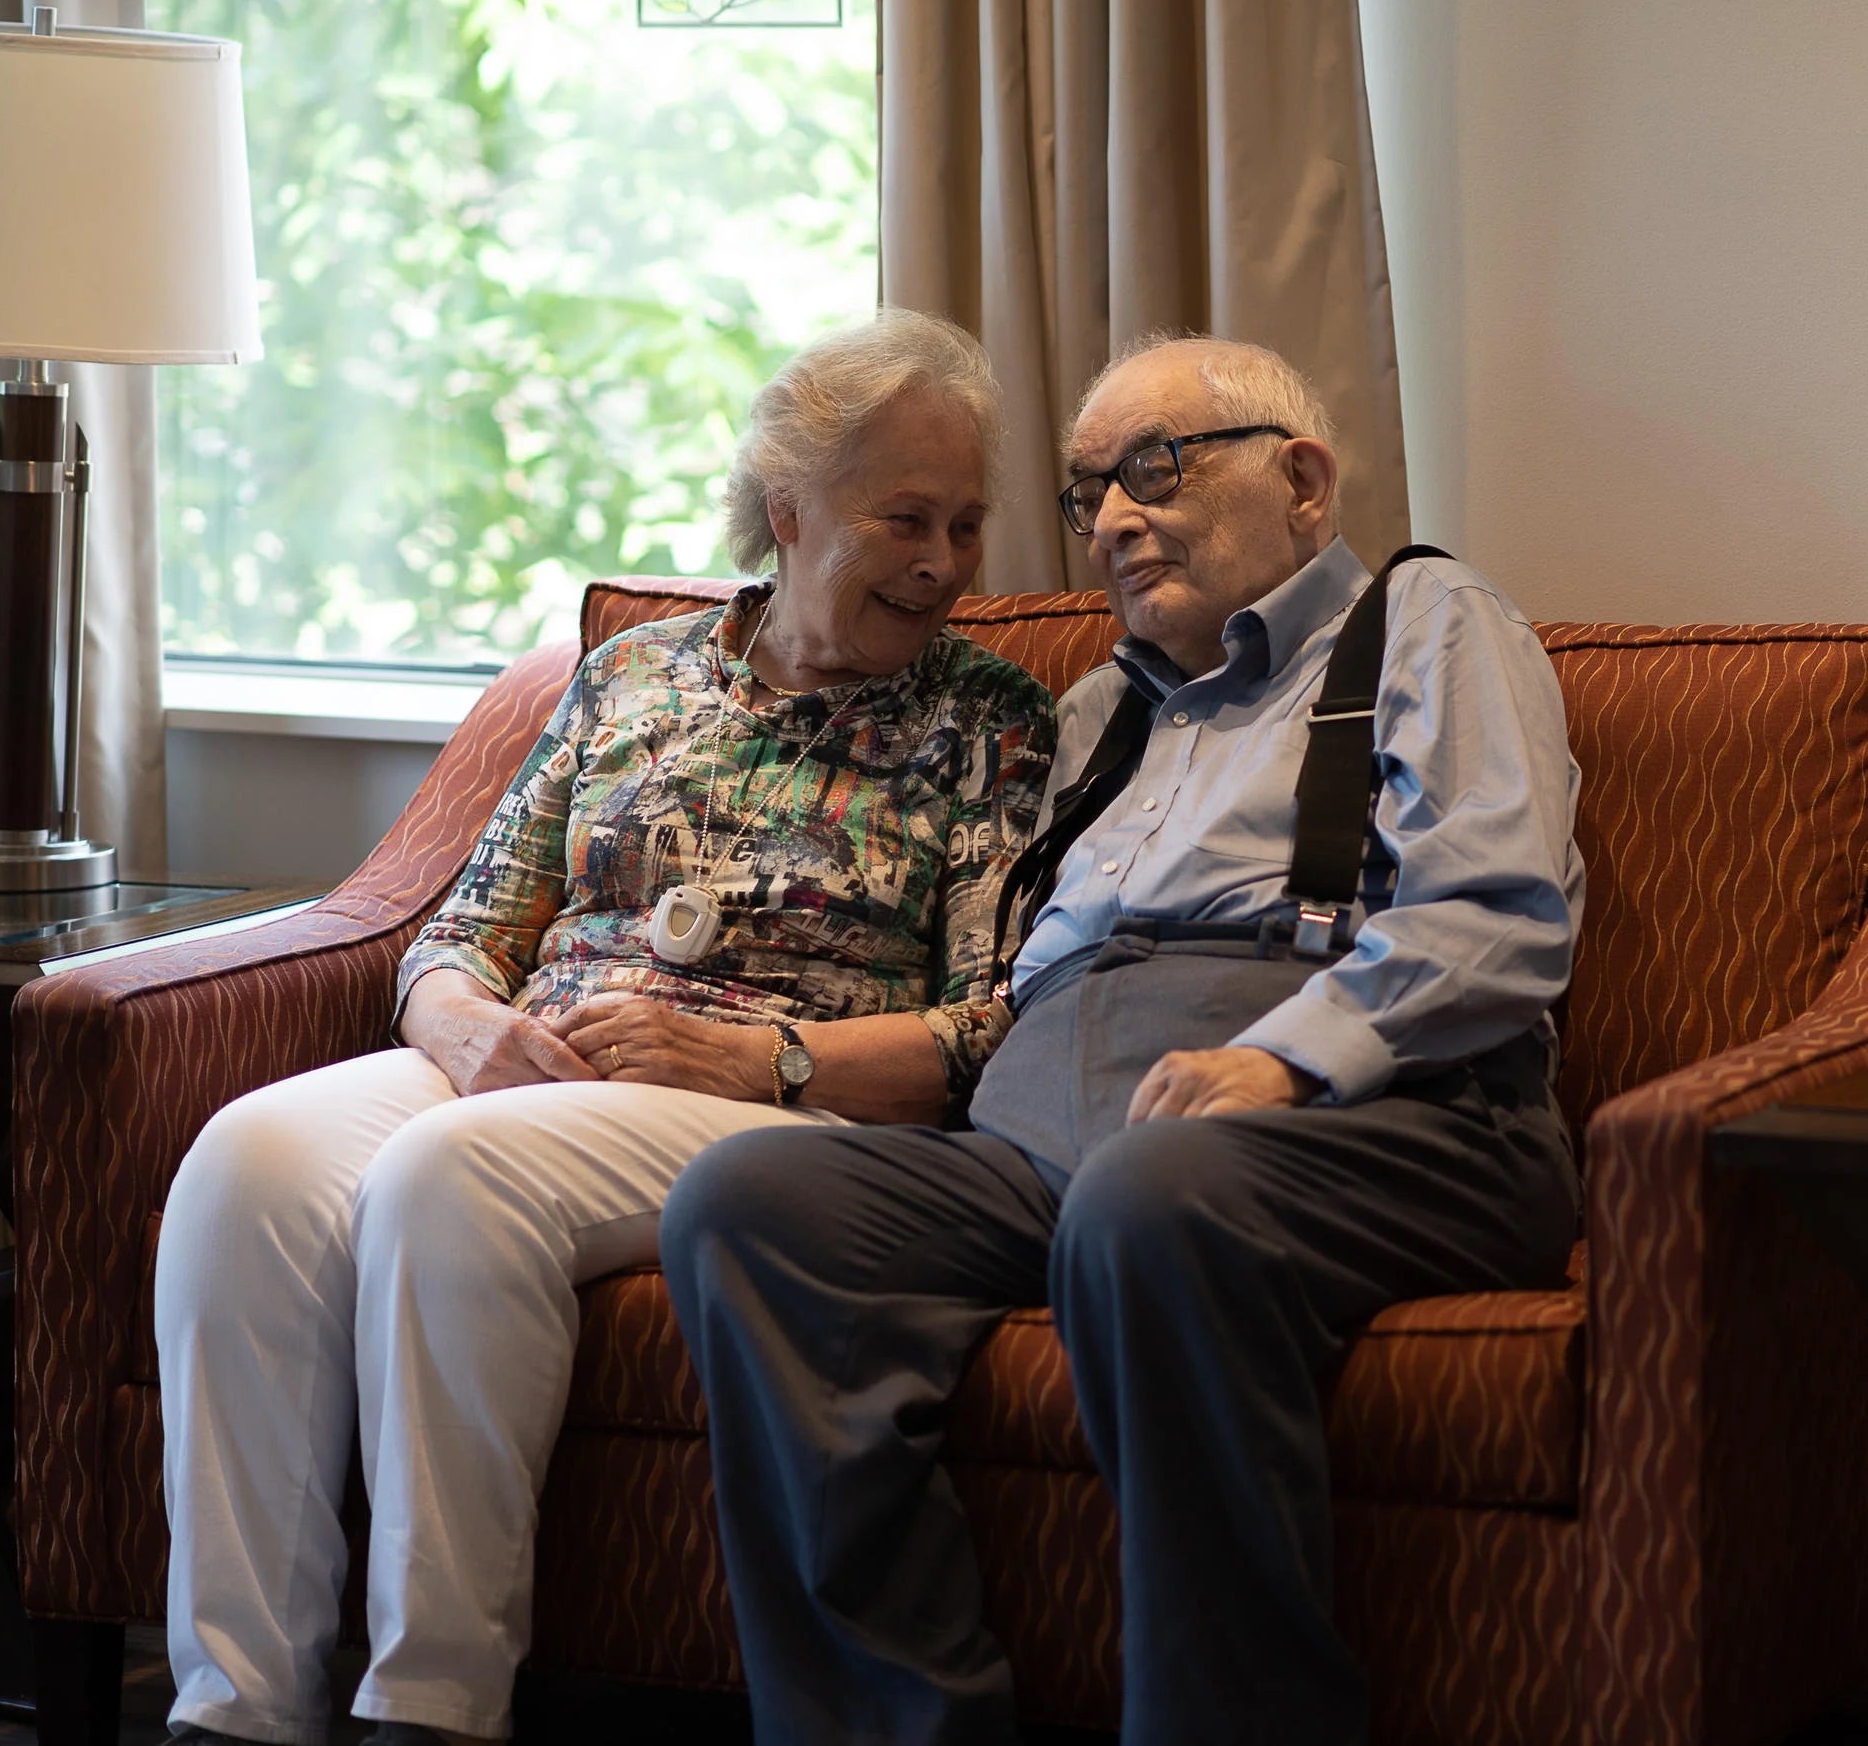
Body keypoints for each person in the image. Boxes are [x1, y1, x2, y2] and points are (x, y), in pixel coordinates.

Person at [660, 335, 1584, 1746]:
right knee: (752, 1201)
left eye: (1155, 469)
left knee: (1155, 1198)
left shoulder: (1429, 625)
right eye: (1092, 488)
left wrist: (1286, 1057)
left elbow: (1500, 912)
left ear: (1305, 480)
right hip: (1052, 1139)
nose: (1112, 519)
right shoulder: (1095, 714)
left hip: (1382, 1115)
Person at [153, 309, 1056, 1746]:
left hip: (764, 1100)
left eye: (965, 522)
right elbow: (459, 933)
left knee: (456, 1177)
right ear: (789, 510)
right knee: (247, 1162)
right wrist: (467, 1036)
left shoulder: (991, 720)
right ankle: (238, 1707)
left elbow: (995, 1023)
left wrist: (762, 1058)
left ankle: (432, 1702)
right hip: (529, 1057)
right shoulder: (631, 676)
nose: (944, 563)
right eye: (904, 519)